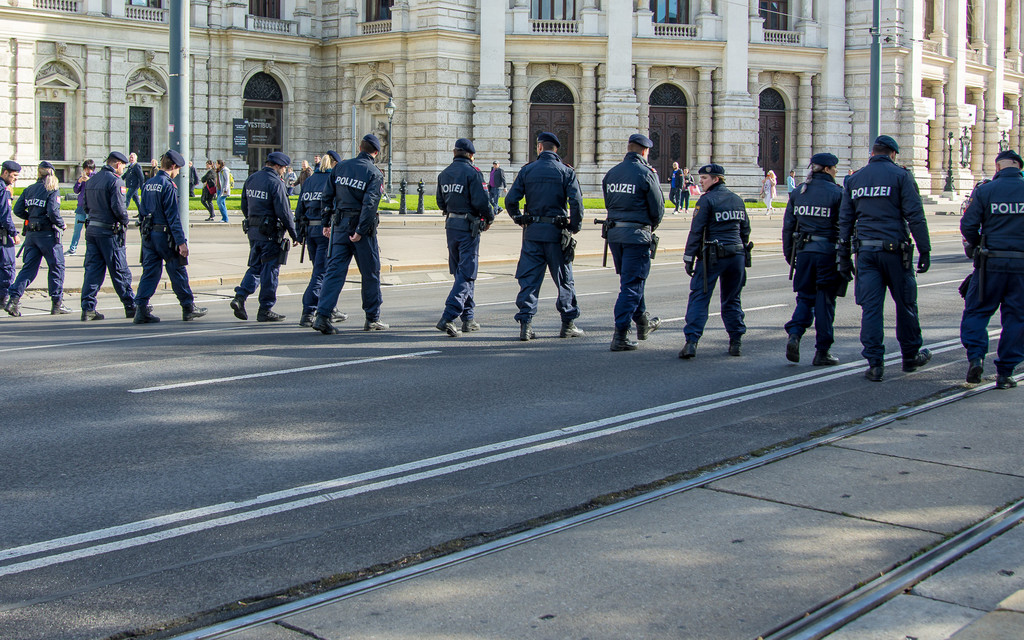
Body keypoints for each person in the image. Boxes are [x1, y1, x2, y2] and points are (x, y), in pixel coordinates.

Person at [838, 135, 932, 382]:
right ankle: (910, 356)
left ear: (872, 153)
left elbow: (845, 221)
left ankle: (875, 364)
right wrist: (925, 250)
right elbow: (915, 215)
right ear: (893, 154)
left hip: (866, 253)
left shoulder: (854, 179)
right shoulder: (901, 176)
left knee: (871, 309)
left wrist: (843, 256)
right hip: (895, 252)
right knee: (906, 304)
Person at [505, 131, 585, 341]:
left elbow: (510, 200)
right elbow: (576, 202)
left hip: (532, 233)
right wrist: (574, 226)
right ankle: (568, 324)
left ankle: (526, 325)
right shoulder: (566, 171)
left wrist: (519, 218)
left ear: (539, 147)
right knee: (564, 280)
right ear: (556, 149)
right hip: (557, 235)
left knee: (529, 280)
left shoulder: (528, 170)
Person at [959, 149, 1024, 389]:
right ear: (1019, 167)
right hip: (1021, 265)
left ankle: (976, 357)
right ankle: (1005, 373)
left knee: (977, 312)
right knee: (1017, 318)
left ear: (998, 167)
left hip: (990, 264)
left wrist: (978, 246)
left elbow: (968, 225)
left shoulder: (985, 191)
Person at [311, 134, 388, 334]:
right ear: (376, 153)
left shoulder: (341, 167)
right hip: (361, 230)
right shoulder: (374, 173)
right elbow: (370, 204)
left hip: (339, 226)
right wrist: (360, 230)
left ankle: (322, 316)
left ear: (360, 148)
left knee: (334, 272)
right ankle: (372, 318)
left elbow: (327, 196)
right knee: (370, 273)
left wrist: (326, 222)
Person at [679, 163, 751, 359]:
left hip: (712, 256)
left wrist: (689, 257)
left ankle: (691, 343)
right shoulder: (737, 199)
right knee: (732, 299)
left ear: (716, 179)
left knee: (700, 297)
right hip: (736, 255)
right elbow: (745, 229)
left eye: (704, 178)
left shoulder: (707, 200)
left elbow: (696, 231)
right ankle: (736, 341)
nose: (700, 181)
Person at [602, 133, 665, 351]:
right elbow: (658, 209)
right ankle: (620, 335)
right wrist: (649, 226)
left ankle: (643, 322)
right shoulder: (646, 173)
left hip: (615, 235)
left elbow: (609, 203)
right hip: (636, 237)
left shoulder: (612, 173)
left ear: (628, 148)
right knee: (631, 285)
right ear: (645, 151)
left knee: (631, 280)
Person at [781, 153, 844, 366]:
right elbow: (845, 227)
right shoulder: (837, 193)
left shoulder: (799, 192)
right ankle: (822, 351)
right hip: (827, 254)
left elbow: (788, 227)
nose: (836, 171)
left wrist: (790, 255)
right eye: (834, 168)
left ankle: (795, 333)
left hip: (804, 253)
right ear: (827, 169)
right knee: (825, 302)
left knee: (805, 298)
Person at [132, 150, 208, 324]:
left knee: (150, 272)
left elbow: (142, 212)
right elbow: (173, 217)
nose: (178, 172)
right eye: (178, 169)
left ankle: (141, 309)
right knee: (177, 270)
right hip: (165, 235)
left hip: (149, 234)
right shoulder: (168, 185)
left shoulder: (149, 183)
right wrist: (181, 242)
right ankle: (188, 307)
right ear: (173, 166)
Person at [435, 138, 495, 337]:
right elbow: (482, 202)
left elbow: (440, 202)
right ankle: (449, 316)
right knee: (467, 273)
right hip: (468, 227)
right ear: (471, 155)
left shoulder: (444, 174)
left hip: (451, 225)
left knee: (461, 273)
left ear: (454, 153)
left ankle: (468, 318)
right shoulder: (473, 173)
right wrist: (490, 218)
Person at [230, 151, 298, 322]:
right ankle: (265, 309)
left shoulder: (252, 179)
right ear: (278, 166)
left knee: (255, 267)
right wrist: (294, 233)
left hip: (253, 231)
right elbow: (284, 212)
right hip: (270, 233)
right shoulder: (275, 182)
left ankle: (240, 296)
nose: (284, 171)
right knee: (270, 271)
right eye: (284, 168)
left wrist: (254, 221)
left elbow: (244, 205)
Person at [5, 161, 70, 316]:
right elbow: (53, 212)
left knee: (28, 269)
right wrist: (62, 224)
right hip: (48, 235)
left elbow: (18, 209)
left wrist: (32, 217)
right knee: (56, 268)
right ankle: (57, 303)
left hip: (32, 235)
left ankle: (13, 300)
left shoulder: (30, 189)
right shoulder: (52, 189)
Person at [80, 151, 136, 321]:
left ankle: (88, 308)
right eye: (123, 166)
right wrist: (125, 221)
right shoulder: (115, 181)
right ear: (118, 164)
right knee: (119, 270)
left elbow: (85, 206)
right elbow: (119, 208)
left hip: (92, 230)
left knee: (92, 271)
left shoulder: (92, 180)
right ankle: (131, 306)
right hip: (109, 232)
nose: (123, 169)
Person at [294, 150, 348, 327]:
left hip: (310, 231)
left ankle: (329, 307)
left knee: (321, 271)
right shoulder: (333, 180)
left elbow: (300, 207)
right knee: (321, 273)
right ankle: (308, 311)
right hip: (326, 232)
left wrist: (299, 233)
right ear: (334, 164)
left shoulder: (310, 180)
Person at [0, 160, 22, 311]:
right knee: (7, 267)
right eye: (14, 175)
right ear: (5, 172)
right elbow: (5, 215)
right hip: (2, 235)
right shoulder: (3, 190)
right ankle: (3, 298)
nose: (15, 179)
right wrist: (14, 234)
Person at [66, 159, 95, 255]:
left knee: (89, 231)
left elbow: (96, 189)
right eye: (85, 169)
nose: (87, 171)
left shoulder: (95, 177)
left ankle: (90, 249)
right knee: (77, 230)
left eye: (89, 169)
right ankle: (72, 248)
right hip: (80, 207)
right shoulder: (82, 178)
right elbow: (76, 190)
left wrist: (89, 180)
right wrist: (79, 181)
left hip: (90, 207)